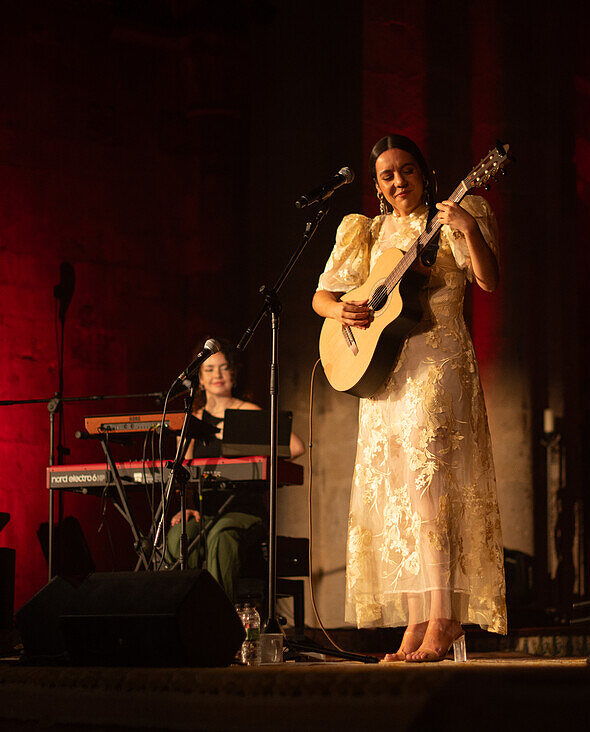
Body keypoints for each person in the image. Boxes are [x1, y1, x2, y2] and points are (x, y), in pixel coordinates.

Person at [312, 134, 507, 662]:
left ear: (425, 172)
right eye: (386, 175)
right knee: (397, 496)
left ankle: (444, 618)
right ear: (376, 187)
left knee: (430, 489)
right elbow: (321, 296)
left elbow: (487, 280)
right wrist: (343, 313)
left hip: (438, 361)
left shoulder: (462, 212)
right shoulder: (367, 231)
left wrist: (466, 229)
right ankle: (416, 621)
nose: (398, 181)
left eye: (406, 170)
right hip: (384, 371)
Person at [164, 338, 304, 602]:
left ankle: (222, 621)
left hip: (244, 510)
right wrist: (188, 506)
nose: (217, 375)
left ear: (234, 375)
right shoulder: (192, 421)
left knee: (222, 535)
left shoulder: (248, 412)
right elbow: (184, 471)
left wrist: (256, 456)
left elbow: (296, 446)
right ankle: (189, 615)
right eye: (209, 369)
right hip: (206, 510)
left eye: (224, 368)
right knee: (177, 537)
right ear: (200, 380)